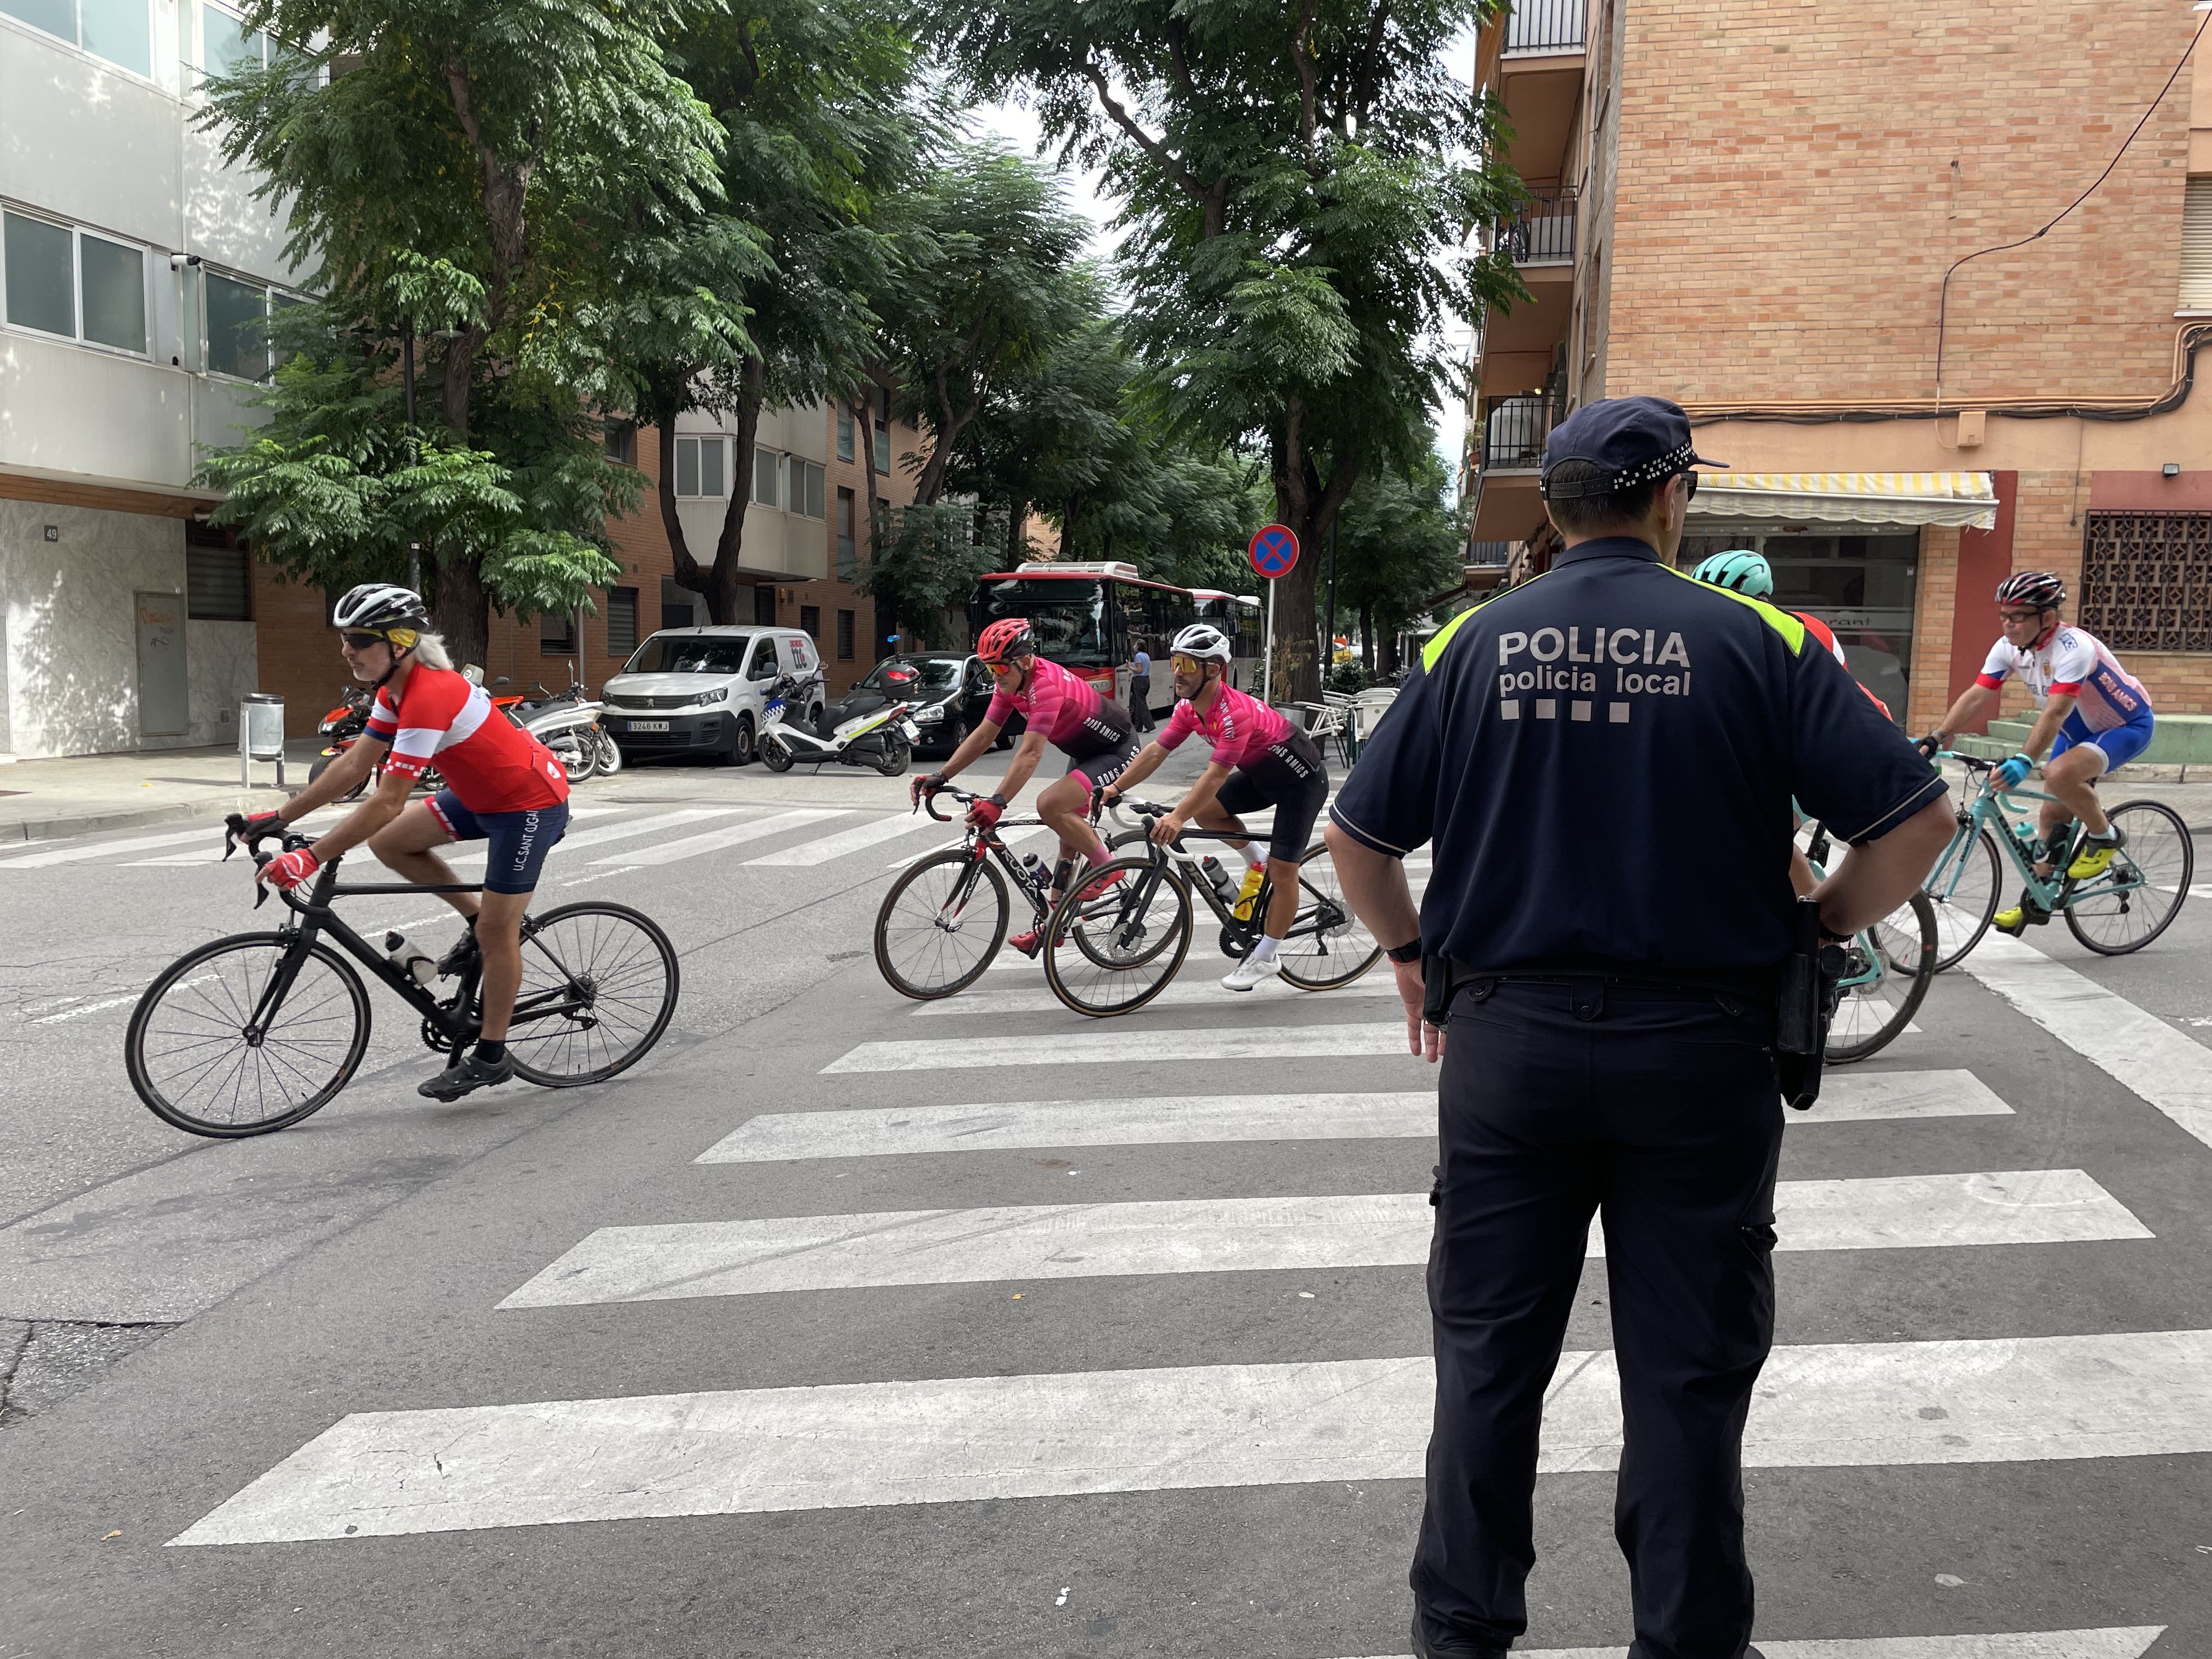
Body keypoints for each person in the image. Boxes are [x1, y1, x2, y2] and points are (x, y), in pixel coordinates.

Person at [1322, 396, 1955, 1659]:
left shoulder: (1472, 645)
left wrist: (1407, 957)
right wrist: (1823, 925)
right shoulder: (1762, 639)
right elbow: (1918, 822)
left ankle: (1460, 1638)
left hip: (1508, 1054)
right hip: (1701, 1061)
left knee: (1489, 1372)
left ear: (1552, 511)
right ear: (1674, 500)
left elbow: (1360, 834)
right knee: (1686, 1384)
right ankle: (1688, 1640)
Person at [241, 584, 573, 1101]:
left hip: (530, 804)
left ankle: (491, 1055)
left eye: (358, 639)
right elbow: (353, 766)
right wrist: (277, 816)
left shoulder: (429, 694)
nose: (346, 650)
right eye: (344, 639)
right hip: (482, 796)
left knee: (497, 930)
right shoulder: (394, 692)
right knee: (392, 844)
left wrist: (309, 857)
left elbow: (387, 800)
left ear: (399, 643)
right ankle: (473, 921)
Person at [1101, 622, 1330, 991]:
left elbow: (1214, 776)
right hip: (1261, 776)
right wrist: (1116, 786)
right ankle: (1257, 860)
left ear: (1213, 670)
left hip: (1301, 783)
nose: (1177, 672)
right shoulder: (1188, 709)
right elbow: (1158, 750)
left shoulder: (1233, 712)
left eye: (1188, 665)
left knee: (1284, 873)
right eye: (1176, 661)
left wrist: (1177, 817)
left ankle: (1268, 956)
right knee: (1209, 813)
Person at [1923, 571, 2155, 933]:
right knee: (2050, 815)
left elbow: (2055, 712)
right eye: (2004, 615)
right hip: (2077, 732)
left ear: (2047, 617)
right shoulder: (2009, 648)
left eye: (2018, 616)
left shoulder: (2074, 648)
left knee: (2059, 774)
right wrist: (1938, 737)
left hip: (2125, 727)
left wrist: (2025, 759)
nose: (2008, 624)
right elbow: (1978, 694)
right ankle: (2038, 900)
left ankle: (2105, 835)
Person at [911, 616, 1138, 955]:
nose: (995, 677)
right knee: (1068, 842)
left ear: (1025, 660)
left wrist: (999, 801)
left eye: (1000, 670)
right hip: (1085, 753)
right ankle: (1053, 928)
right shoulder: (1011, 684)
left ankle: (1107, 870)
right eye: (990, 670)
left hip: (1117, 749)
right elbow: (986, 734)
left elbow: (1030, 753)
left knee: (1050, 805)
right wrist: (942, 776)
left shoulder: (1045, 685)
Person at [1128, 640, 1155, 732]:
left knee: (1142, 704)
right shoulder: (1146, 655)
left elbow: (1139, 670)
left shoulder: (1139, 656)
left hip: (1139, 680)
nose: (1134, 646)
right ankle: (1138, 726)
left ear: (1139, 647)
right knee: (1139, 703)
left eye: (1136, 644)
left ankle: (1150, 725)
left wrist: (1129, 667)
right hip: (1146, 680)